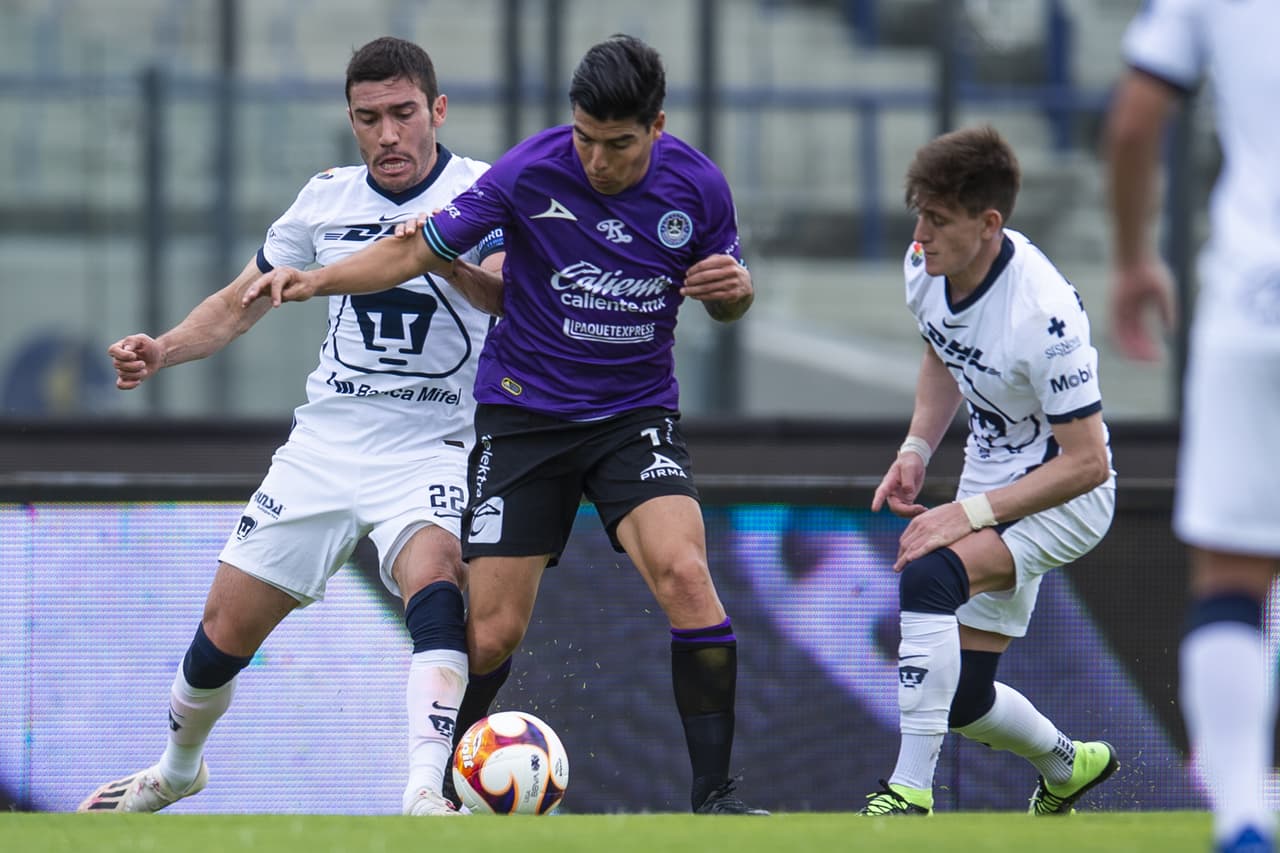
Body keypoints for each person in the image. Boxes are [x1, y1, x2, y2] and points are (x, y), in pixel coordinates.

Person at [242, 33, 767, 816]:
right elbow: (413, 250)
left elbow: (729, 298)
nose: (596, 159)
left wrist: (733, 292)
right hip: (526, 419)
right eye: (585, 138)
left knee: (689, 577)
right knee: (488, 635)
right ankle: (442, 791)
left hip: (634, 417)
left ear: (656, 128)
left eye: (618, 144)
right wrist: (314, 279)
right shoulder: (529, 172)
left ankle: (715, 798)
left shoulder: (699, 187)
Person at [77, 36, 503, 817]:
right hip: (325, 444)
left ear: (437, 111)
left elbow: (506, 300)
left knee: (438, 579)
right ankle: (177, 769)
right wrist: (161, 349)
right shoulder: (326, 199)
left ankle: (423, 789)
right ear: (351, 121)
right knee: (221, 630)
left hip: (432, 441)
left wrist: (443, 258)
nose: (388, 135)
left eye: (404, 114)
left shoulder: (480, 194)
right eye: (369, 118)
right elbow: (240, 302)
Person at [860, 125, 1119, 816]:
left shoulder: (1044, 315)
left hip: (1065, 492)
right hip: (993, 472)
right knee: (967, 698)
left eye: (938, 219)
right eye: (919, 212)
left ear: (989, 223)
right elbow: (944, 349)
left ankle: (908, 793)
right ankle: (1069, 765)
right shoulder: (926, 263)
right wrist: (916, 449)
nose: (921, 234)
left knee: (928, 572)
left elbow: (1088, 462)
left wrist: (966, 514)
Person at [1106, 3, 1280, 851]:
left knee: (1232, 577)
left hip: (1257, 298)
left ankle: (1243, 817)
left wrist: (1136, 257)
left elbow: (1136, 122)